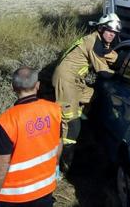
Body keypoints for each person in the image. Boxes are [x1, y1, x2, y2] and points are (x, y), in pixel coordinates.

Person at [0, 67, 62, 207]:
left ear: (13, 87)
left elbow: (2, 162)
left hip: (12, 196)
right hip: (45, 187)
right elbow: (59, 142)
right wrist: (56, 166)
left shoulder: (7, 121)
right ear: (37, 85)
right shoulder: (54, 110)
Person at [52, 13, 121, 171]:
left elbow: (113, 58)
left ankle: (82, 123)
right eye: (109, 31)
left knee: (92, 95)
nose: (112, 35)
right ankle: (64, 165)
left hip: (76, 80)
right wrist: (122, 76)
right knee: (71, 122)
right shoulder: (94, 42)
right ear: (101, 28)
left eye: (115, 33)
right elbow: (103, 72)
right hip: (66, 80)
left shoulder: (99, 41)